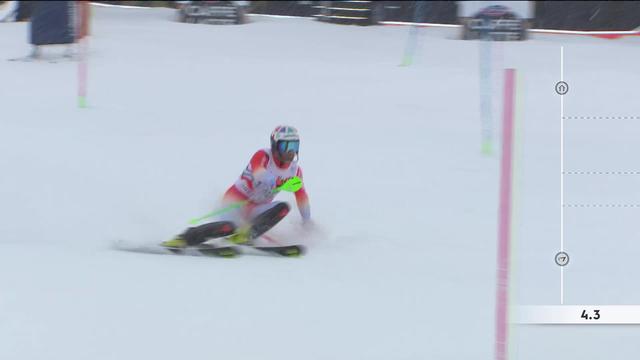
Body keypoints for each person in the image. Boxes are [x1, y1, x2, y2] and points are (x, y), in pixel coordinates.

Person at [162, 125, 311, 248]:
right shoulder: (263, 156)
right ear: (275, 146)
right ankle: (185, 237)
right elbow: (260, 175)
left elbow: (302, 196)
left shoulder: (295, 171)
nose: (290, 152)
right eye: (286, 146)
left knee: (283, 207)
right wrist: (281, 183)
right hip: (235, 202)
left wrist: (307, 222)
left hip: (256, 209)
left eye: (294, 146)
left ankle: (246, 236)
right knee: (229, 226)